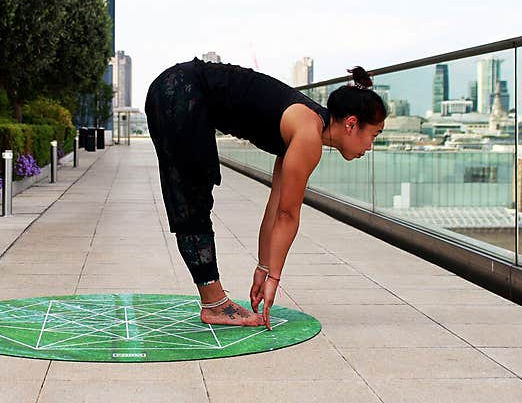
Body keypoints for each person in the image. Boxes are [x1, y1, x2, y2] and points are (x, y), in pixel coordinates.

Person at [144, 58, 387, 329]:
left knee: (192, 193)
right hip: (181, 89)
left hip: (177, 88)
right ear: (352, 124)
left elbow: (275, 208)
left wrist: (264, 267)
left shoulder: (307, 128)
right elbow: (288, 215)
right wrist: (274, 279)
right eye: (374, 135)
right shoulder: (308, 134)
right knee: (191, 195)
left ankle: (213, 302)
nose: (370, 146)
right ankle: (214, 304)